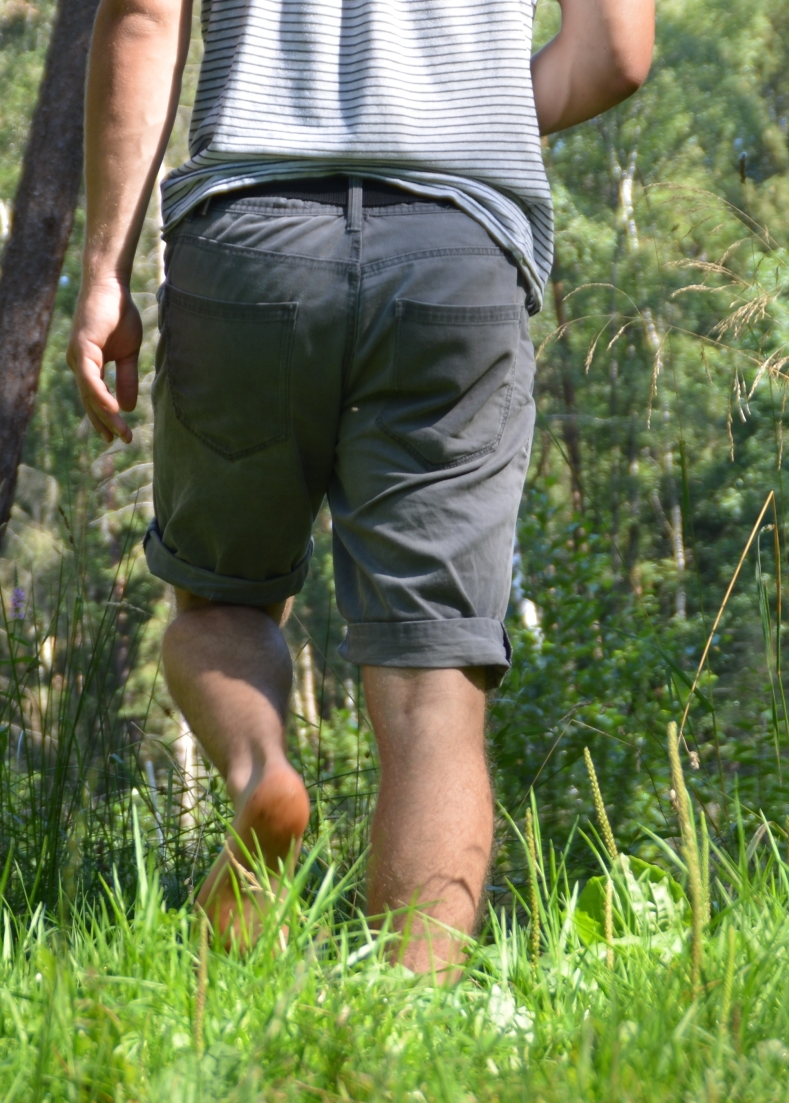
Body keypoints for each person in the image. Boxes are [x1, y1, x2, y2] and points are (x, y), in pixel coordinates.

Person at [68, 0, 654, 978]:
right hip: (454, 250)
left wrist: (101, 273)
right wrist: (468, 117)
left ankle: (262, 773)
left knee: (218, 600)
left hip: (250, 239)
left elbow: (140, 16)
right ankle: (409, 1042)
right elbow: (616, 55)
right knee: (433, 686)